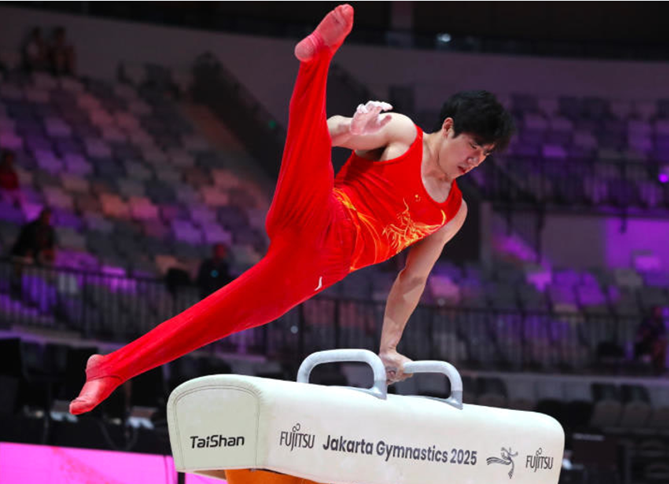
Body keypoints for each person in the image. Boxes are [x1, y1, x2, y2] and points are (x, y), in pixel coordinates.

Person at [70, 4, 513, 419]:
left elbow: (412, 280)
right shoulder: (402, 133)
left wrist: (387, 348)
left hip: (316, 269)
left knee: (213, 319)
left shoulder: (453, 213)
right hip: (318, 212)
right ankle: (317, 59)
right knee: (309, 142)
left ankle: (110, 369)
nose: (476, 159)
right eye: (473, 146)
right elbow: (323, 135)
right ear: (448, 127)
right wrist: (350, 129)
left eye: (485, 154)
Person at [634, 305, 667, 374]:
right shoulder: (647, 321)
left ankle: (659, 367)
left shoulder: (660, 323)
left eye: (660, 312)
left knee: (662, 345)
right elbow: (643, 333)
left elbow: (662, 334)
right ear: (653, 312)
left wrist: (660, 339)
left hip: (656, 342)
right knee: (658, 345)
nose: (659, 313)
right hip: (645, 342)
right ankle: (650, 361)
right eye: (657, 311)